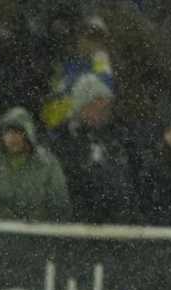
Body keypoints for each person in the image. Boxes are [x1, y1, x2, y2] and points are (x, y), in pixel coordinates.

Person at [48, 74, 138, 224]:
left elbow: (130, 179)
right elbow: (63, 186)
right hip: (77, 226)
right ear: (81, 107)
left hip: (118, 226)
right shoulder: (60, 138)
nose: (104, 114)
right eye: (97, 107)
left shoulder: (118, 136)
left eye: (106, 108)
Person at [0, 107, 72, 222]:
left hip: (38, 232)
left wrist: (37, 218)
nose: (12, 138)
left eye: (18, 132)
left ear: (28, 135)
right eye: (8, 132)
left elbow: (60, 203)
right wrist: (0, 214)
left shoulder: (47, 164)